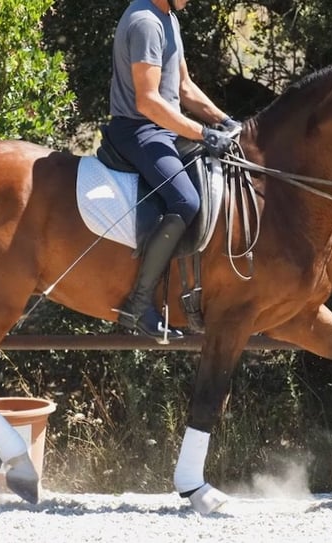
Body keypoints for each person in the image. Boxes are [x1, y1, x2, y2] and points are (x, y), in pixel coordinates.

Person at [106, 0, 240, 342]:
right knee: (185, 201)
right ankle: (137, 305)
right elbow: (148, 101)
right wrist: (202, 134)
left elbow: (184, 88)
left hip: (163, 128)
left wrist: (225, 123)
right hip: (138, 129)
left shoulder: (169, 18)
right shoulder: (145, 23)